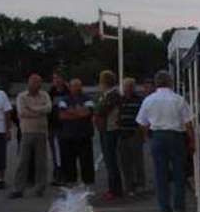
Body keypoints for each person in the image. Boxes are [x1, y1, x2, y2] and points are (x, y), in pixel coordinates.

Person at [136, 71, 194, 212]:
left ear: (156, 83)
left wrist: (146, 137)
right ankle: (179, 208)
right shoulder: (179, 99)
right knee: (179, 173)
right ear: (170, 82)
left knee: (160, 174)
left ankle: (164, 208)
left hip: (157, 136)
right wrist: (192, 140)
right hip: (176, 136)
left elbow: (142, 123)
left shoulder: (149, 100)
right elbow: (188, 123)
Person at [10, 74, 51, 199]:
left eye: (39, 83)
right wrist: (40, 110)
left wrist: (32, 108)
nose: (36, 85)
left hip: (41, 132)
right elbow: (22, 112)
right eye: (34, 83)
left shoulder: (45, 95)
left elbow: (48, 108)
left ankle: (40, 188)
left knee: (41, 162)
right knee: (23, 161)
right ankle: (18, 189)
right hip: (27, 132)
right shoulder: (21, 96)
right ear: (29, 83)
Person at [58, 78, 96, 187]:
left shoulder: (88, 98)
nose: (76, 88)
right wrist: (79, 112)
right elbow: (62, 115)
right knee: (69, 162)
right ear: (70, 87)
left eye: (78, 86)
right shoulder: (64, 99)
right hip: (68, 136)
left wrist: (71, 112)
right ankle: (70, 181)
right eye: (74, 86)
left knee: (86, 162)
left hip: (84, 135)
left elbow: (88, 113)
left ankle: (88, 183)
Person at [95, 70, 123, 200]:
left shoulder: (112, 95)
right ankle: (113, 188)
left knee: (111, 160)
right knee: (109, 160)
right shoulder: (106, 95)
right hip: (105, 129)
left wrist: (97, 108)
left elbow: (101, 110)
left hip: (110, 130)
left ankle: (115, 189)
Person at [117, 77, 146, 197]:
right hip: (122, 134)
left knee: (137, 161)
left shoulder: (139, 100)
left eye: (129, 86)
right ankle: (129, 185)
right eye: (125, 86)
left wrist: (141, 134)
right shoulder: (120, 100)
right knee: (125, 162)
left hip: (135, 133)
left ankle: (140, 185)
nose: (127, 89)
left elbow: (143, 117)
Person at [48, 71, 69, 185]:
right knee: (55, 152)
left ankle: (66, 175)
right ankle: (57, 174)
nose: (56, 80)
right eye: (54, 78)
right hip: (53, 126)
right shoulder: (50, 93)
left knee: (65, 151)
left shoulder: (68, 92)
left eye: (58, 78)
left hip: (66, 126)